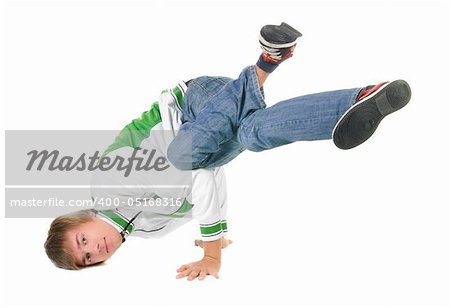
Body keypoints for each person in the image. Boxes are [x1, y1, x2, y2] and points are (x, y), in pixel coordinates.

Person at [44, 22, 411, 280]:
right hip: (215, 141)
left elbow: (194, 171)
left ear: (80, 218)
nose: (96, 249)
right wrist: (215, 234)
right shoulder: (151, 230)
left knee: (183, 155)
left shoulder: (107, 184)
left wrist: (211, 250)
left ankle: (264, 66)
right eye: (89, 258)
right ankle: (360, 97)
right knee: (252, 135)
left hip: (193, 101)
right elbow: (212, 182)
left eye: (83, 241)